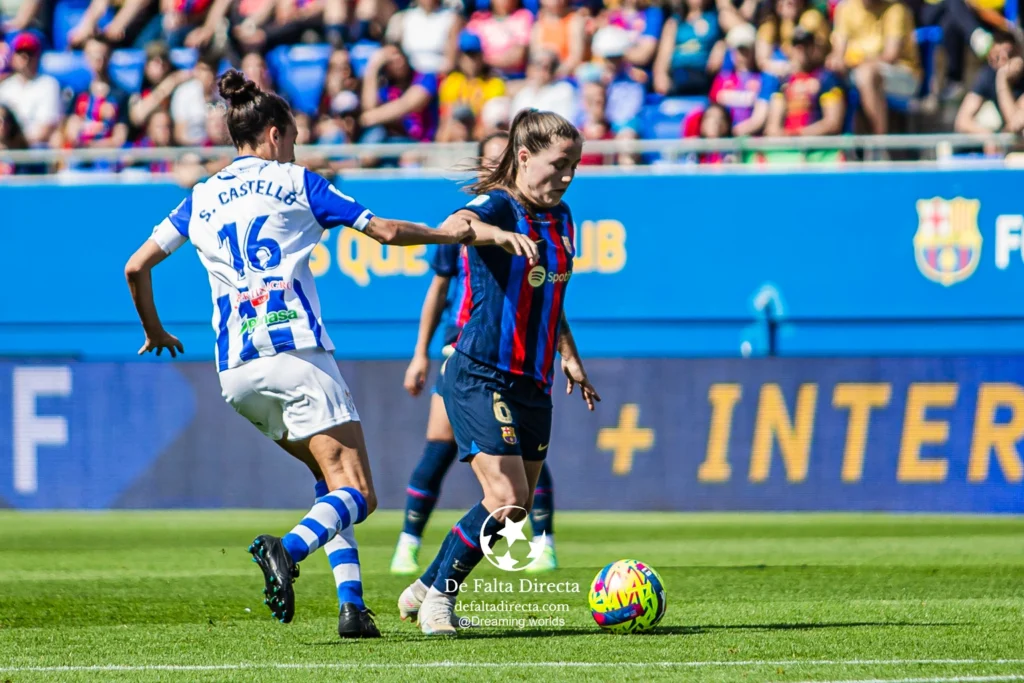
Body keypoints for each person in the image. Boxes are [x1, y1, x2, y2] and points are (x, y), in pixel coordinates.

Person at [122, 69, 490, 639]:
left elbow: (136, 266)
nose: (293, 149)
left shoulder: (199, 198)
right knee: (361, 493)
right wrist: (454, 235)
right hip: (295, 352)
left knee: (329, 479)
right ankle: (286, 549)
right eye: (291, 139)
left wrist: (156, 329)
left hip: (236, 373)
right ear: (274, 135)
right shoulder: (295, 181)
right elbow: (386, 232)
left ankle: (352, 607)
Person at [397, 109, 600, 637]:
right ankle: (439, 603)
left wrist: (569, 354)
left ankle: (424, 584)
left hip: (534, 381)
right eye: (559, 164)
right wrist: (493, 234)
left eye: (575, 165)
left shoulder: (563, 215)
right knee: (507, 502)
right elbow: (454, 227)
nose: (567, 176)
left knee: (516, 506)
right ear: (525, 156)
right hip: (480, 371)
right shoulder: (500, 206)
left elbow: (549, 294)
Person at [390, 130, 560, 577]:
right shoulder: (483, 217)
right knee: (448, 455)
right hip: (467, 353)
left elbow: (546, 300)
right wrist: (421, 354)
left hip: (524, 363)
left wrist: (569, 354)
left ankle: (542, 541)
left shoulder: (546, 219)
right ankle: (410, 547)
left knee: (518, 479)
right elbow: (439, 286)